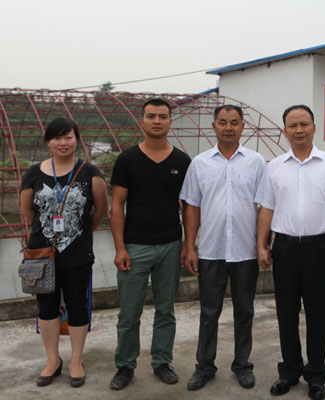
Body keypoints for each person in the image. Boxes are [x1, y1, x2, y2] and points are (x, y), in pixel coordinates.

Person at [256, 104, 325, 400]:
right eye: (293, 125)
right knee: (286, 311)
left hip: (318, 247)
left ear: (314, 127)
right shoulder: (275, 167)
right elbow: (267, 208)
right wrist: (262, 245)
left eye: (304, 124)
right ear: (285, 131)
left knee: (318, 312)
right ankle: (289, 371)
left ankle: (315, 374)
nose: (299, 130)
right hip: (284, 248)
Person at [179, 104, 267, 391]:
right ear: (214, 126)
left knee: (245, 311)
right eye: (223, 122)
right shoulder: (200, 163)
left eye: (234, 122)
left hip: (245, 251)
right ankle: (204, 367)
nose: (228, 127)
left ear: (242, 127)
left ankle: (242, 365)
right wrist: (190, 246)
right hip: (211, 250)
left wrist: (262, 245)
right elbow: (192, 207)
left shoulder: (256, 162)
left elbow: (265, 207)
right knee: (209, 312)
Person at [109, 98, 191, 390]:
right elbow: (116, 206)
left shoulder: (182, 161)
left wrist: (188, 245)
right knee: (129, 313)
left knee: (166, 310)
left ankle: (161, 362)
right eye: (151, 116)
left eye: (163, 116)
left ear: (170, 122)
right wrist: (120, 248)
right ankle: (125, 365)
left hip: (170, 245)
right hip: (135, 247)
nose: (157, 121)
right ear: (141, 121)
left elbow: (189, 207)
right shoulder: (127, 160)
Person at [20, 117, 108, 388]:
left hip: (77, 253)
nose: (63, 142)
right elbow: (28, 211)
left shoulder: (90, 172)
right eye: (56, 138)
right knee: (46, 306)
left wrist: (79, 232)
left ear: (76, 140)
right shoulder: (34, 173)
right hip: (41, 254)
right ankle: (52, 360)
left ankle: (76, 360)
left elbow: (100, 211)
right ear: (48, 142)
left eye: (68, 137)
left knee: (77, 304)